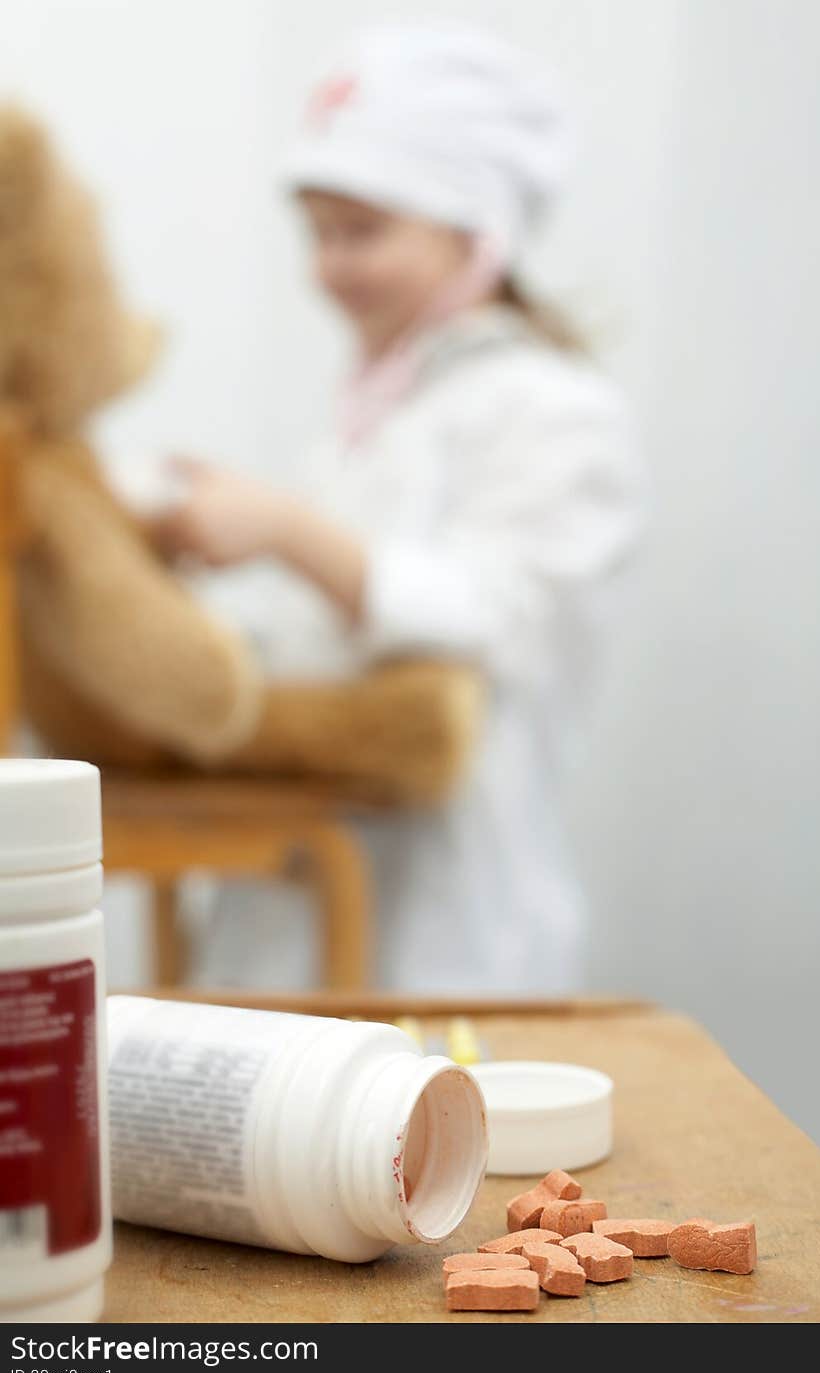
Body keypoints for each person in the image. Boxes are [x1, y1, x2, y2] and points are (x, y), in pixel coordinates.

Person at [157, 26, 643, 995]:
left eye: (361, 231)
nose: (328, 266)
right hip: (311, 897)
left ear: (477, 232)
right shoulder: (375, 416)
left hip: (452, 915)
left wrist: (290, 532)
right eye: (319, 233)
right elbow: (312, 644)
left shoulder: (556, 411)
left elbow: (506, 619)